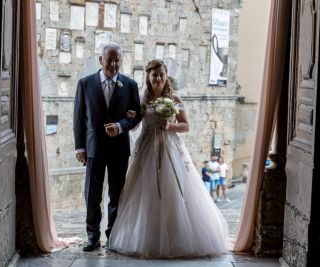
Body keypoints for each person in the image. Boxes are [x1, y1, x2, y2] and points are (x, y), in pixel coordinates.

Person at [108, 59, 227, 258]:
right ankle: (145, 238)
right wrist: (129, 116)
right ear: (148, 77)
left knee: (174, 191)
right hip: (146, 149)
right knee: (144, 193)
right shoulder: (141, 99)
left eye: (162, 74)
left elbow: (186, 126)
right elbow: (136, 126)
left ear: (166, 75)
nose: (158, 78)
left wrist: (169, 126)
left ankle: (176, 238)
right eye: (154, 75)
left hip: (171, 149)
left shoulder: (175, 99)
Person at [73, 42, 142, 252]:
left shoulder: (130, 85)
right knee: (92, 194)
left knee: (116, 194)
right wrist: (80, 148)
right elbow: (78, 118)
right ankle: (92, 236)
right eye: (109, 60)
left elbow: (137, 114)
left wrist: (121, 126)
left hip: (119, 149)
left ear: (122, 61)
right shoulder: (84, 84)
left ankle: (113, 235)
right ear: (100, 60)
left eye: (117, 60)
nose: (113, 64)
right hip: (93, 148)